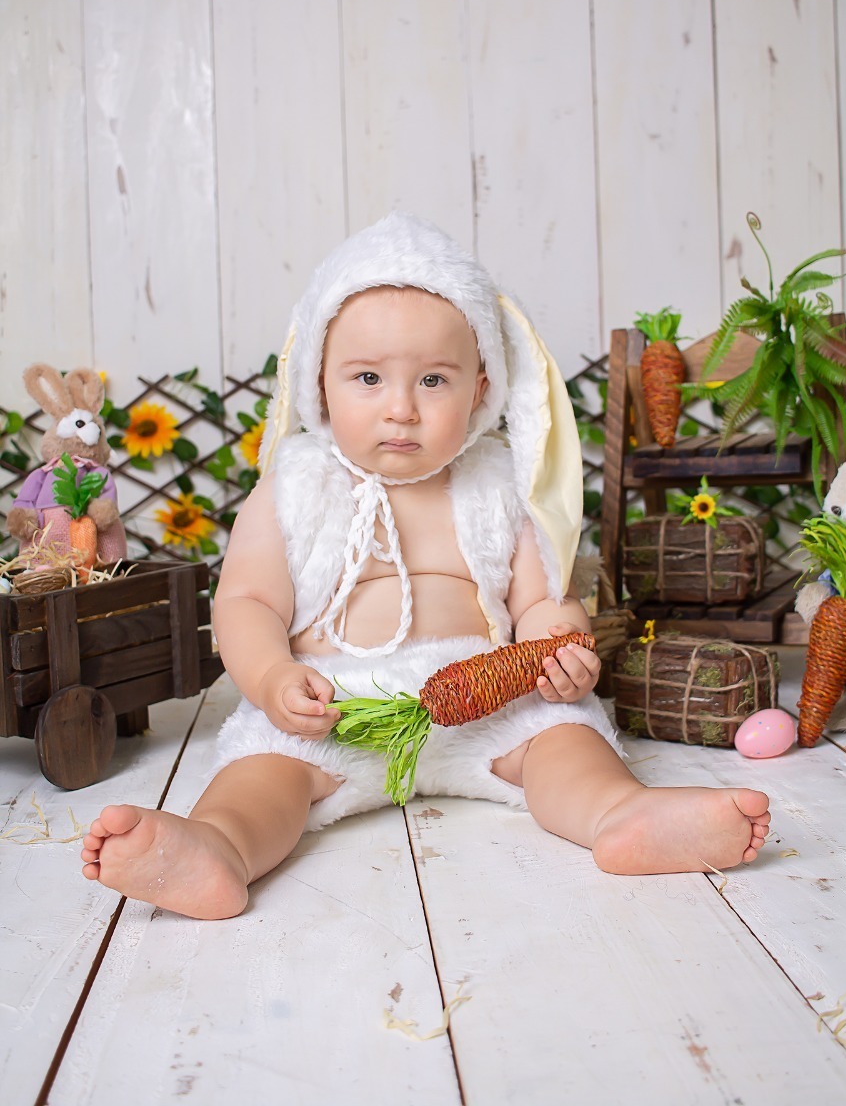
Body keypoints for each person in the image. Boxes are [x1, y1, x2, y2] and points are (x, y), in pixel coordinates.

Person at [81, 213, 770, 920]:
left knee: (565, 740)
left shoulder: (497, 484)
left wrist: (562, 648)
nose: (401, 410)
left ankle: (621, 815)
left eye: (433, 380)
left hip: (484, 696)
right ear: (319, 381)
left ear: (480, 389)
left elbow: (540, 599)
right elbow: (247, 603)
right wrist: (272, 677)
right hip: (335, 707)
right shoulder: (295, 485)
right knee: (264, 773)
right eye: (369, 378)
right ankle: (218, 847)